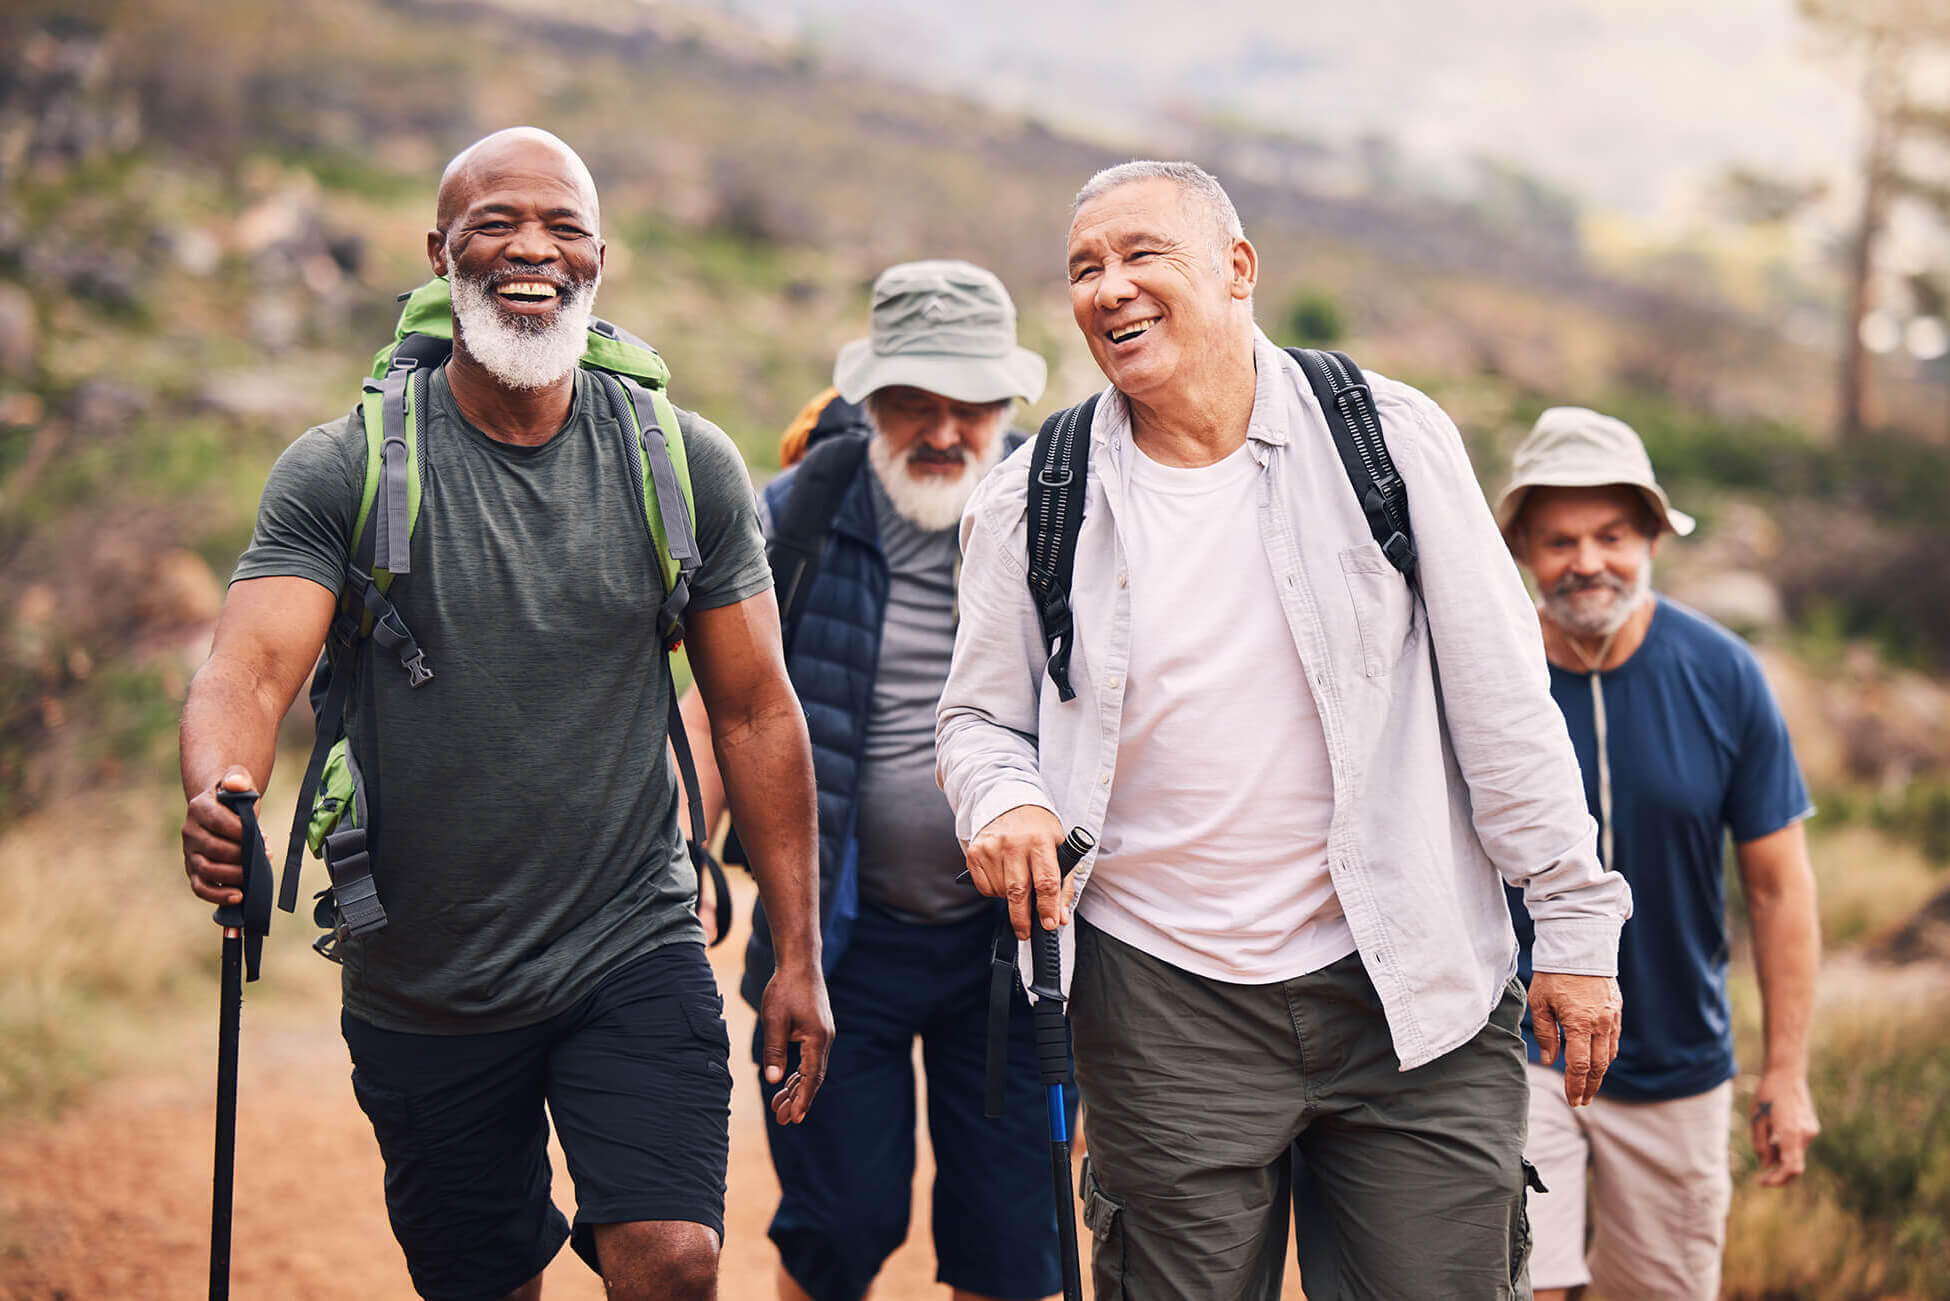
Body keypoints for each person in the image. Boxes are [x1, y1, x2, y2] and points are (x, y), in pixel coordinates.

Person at [936, 159, 1634, 1299]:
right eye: (1084, 269)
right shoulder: (1034, 494)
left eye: (1141, 255)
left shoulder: (1390, 440)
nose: (1109, 289)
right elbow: (976, 714)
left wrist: (1573, 918)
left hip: (1414, 986)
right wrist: (1002, 794)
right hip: (1162, 1000)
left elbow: (1504, 704)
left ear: (1237, 269)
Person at [177, 126, 833, 1301]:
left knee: (674, 1257)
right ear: (440, 255)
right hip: (423, 971)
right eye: (496, 225)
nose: (533, 249)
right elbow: (247, 668)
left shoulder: (684, 465)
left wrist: (798, 952)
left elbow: (753, 711)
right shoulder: (344, 467)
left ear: (598, 260)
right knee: (486, 1283)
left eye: (563, 228)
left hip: (630, 936)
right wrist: (222, 785)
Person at [679, 259, 1071, 1301]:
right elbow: (721, 706)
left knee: (1010, 1241)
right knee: (838, 1227)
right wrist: (677, 856)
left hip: (1017, 947)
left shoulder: (1065, 513)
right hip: (831, 939)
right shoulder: (797, 513)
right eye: (915, 404)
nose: (945, 429)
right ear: (869, 397)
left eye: (971, 404)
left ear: (1007, 402)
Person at [1497, 407, 1820, 1301]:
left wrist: (1786, 1072)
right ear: (1523, 547)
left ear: (1652, 537)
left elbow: (1779, 888)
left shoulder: (1725, 674)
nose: (1588, 561)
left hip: (1679, 1062)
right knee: (1517, 1288)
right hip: (1517, 1053)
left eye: (1611, 534)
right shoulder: (1490, 671)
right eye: (1560, 540)